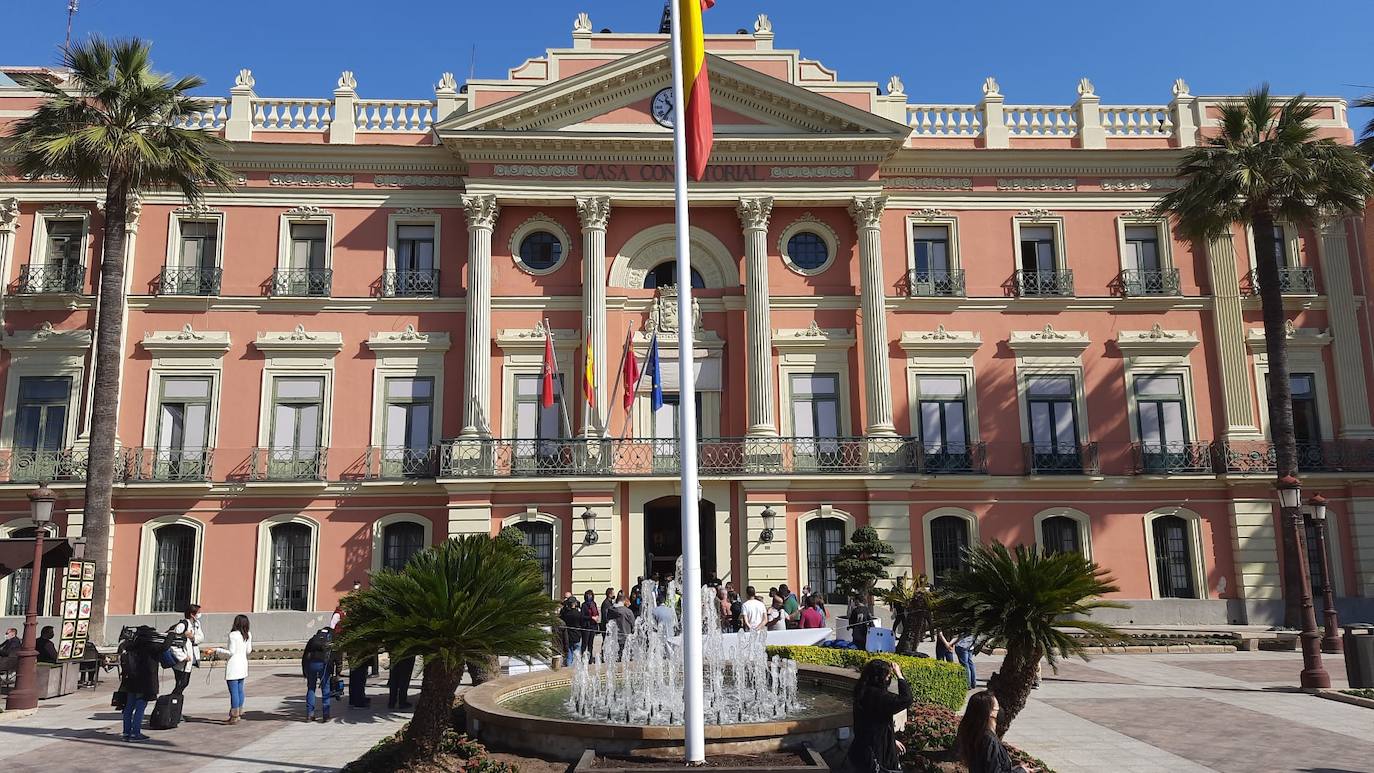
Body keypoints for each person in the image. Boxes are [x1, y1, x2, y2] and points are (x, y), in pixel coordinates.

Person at [846, 659, 912, 773]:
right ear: (881, 678)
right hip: (876, 753)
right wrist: (900, 675)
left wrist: (892, 741)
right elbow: (906, 699)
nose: (888, 679)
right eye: (888, 676)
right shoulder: (880, 697)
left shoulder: (861, 691)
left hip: (861, 748)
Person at [956, 691, 1033, 773]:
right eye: (997, 707)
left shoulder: (974, 733)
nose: (999, 710)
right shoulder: (988, 740)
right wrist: (1021, 771)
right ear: (990, 712)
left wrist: (1016, 769)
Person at [117, 626, 162, 742]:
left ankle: (126, 732)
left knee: (129, 707)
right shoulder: (151, 647)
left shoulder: (130, 646)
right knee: (140, 707)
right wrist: (170, 636)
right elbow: (164, 648)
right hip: (144, 682)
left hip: (130, 681)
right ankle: (135, 733)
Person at [209, 615, 252, 724]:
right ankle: (239, 712)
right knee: (240, 690)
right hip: (243, 664)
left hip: (233, 665)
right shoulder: (247, 634)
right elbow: (248, 651)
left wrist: (217, 650)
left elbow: (231, 652)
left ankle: (234, 715)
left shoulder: (233, 635)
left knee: (233, 692)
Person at [168, 603, 204, 699]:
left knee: (184, 683)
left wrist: (193, 637)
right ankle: (172, 701)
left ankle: (175, 702)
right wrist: (183, 657)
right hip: (181, 662)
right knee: (181, 683)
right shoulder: (182, 625)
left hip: (189, 660)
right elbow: (172, 643)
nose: (200, 614)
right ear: (192, 614)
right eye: (198, 612)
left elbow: (201, 637)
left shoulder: (196, 624)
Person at [302, 627, 334, 722]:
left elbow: (305, 656)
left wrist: (304, 671)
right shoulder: (329, 639)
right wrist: (336, 671)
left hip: (311, 665)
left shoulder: (312, 639)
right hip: (324, 665)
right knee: (325, 689)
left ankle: (310, 714)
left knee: (311, 688)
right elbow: (335, 657)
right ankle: (326, 715)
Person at [559, 596, 583, 664]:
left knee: (569, 655)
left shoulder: (565, 613)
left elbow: (561, 617)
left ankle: (569, 667)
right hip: (576, 635)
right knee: (577, 655)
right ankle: (576, 667)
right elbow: (582, 622)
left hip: (568, 635)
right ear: (574, 603)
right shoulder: (577, 613)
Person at [580, 589, 600, 663]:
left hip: (593, 626)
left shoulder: (593, 604)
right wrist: (591, 617)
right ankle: (583, 658)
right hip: (586, 626)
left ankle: (590, 659)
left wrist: (597, 616)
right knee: (584, 643)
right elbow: (582, 616)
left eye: (590, 595)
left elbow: (596, 612)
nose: (589, 597)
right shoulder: (584, 605)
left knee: (590, 644)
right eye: (588, 595)